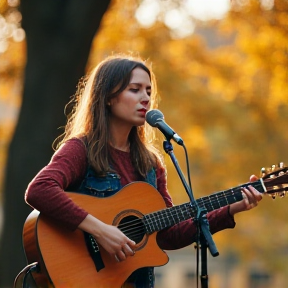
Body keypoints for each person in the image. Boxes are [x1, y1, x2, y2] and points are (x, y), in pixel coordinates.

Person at [25, 54, 263, 288]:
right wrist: (101, 231)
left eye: (149, 91)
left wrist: (231, 208)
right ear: (107, 96)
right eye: (135, 89)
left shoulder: (151, 164)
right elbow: (39, 189)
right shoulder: (82, 149)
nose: (146, 98)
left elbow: (168, 234)